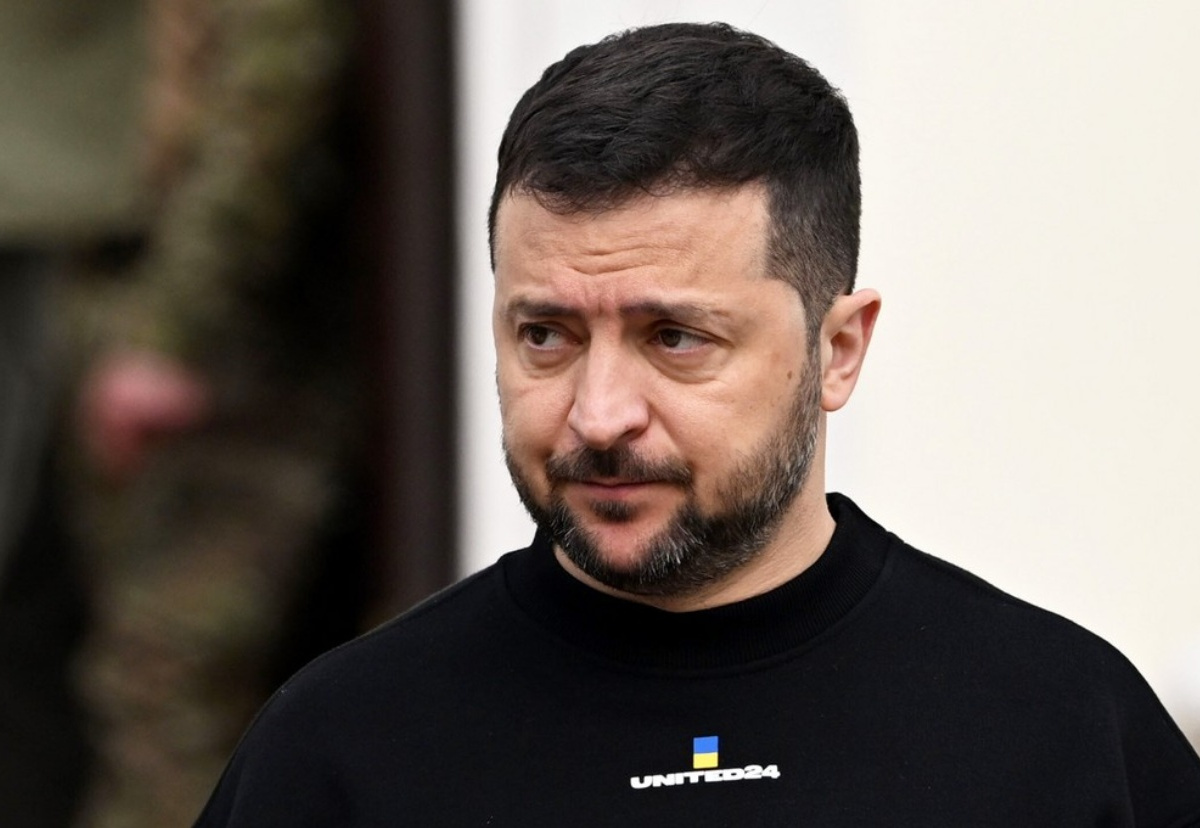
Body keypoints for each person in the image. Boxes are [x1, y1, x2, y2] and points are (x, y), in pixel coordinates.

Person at [194, 22, 1200, 826]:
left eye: (675, 338)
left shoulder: (1058, 730)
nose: (599, 415)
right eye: (546, 336)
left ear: (838, 349)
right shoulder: (341, 754)